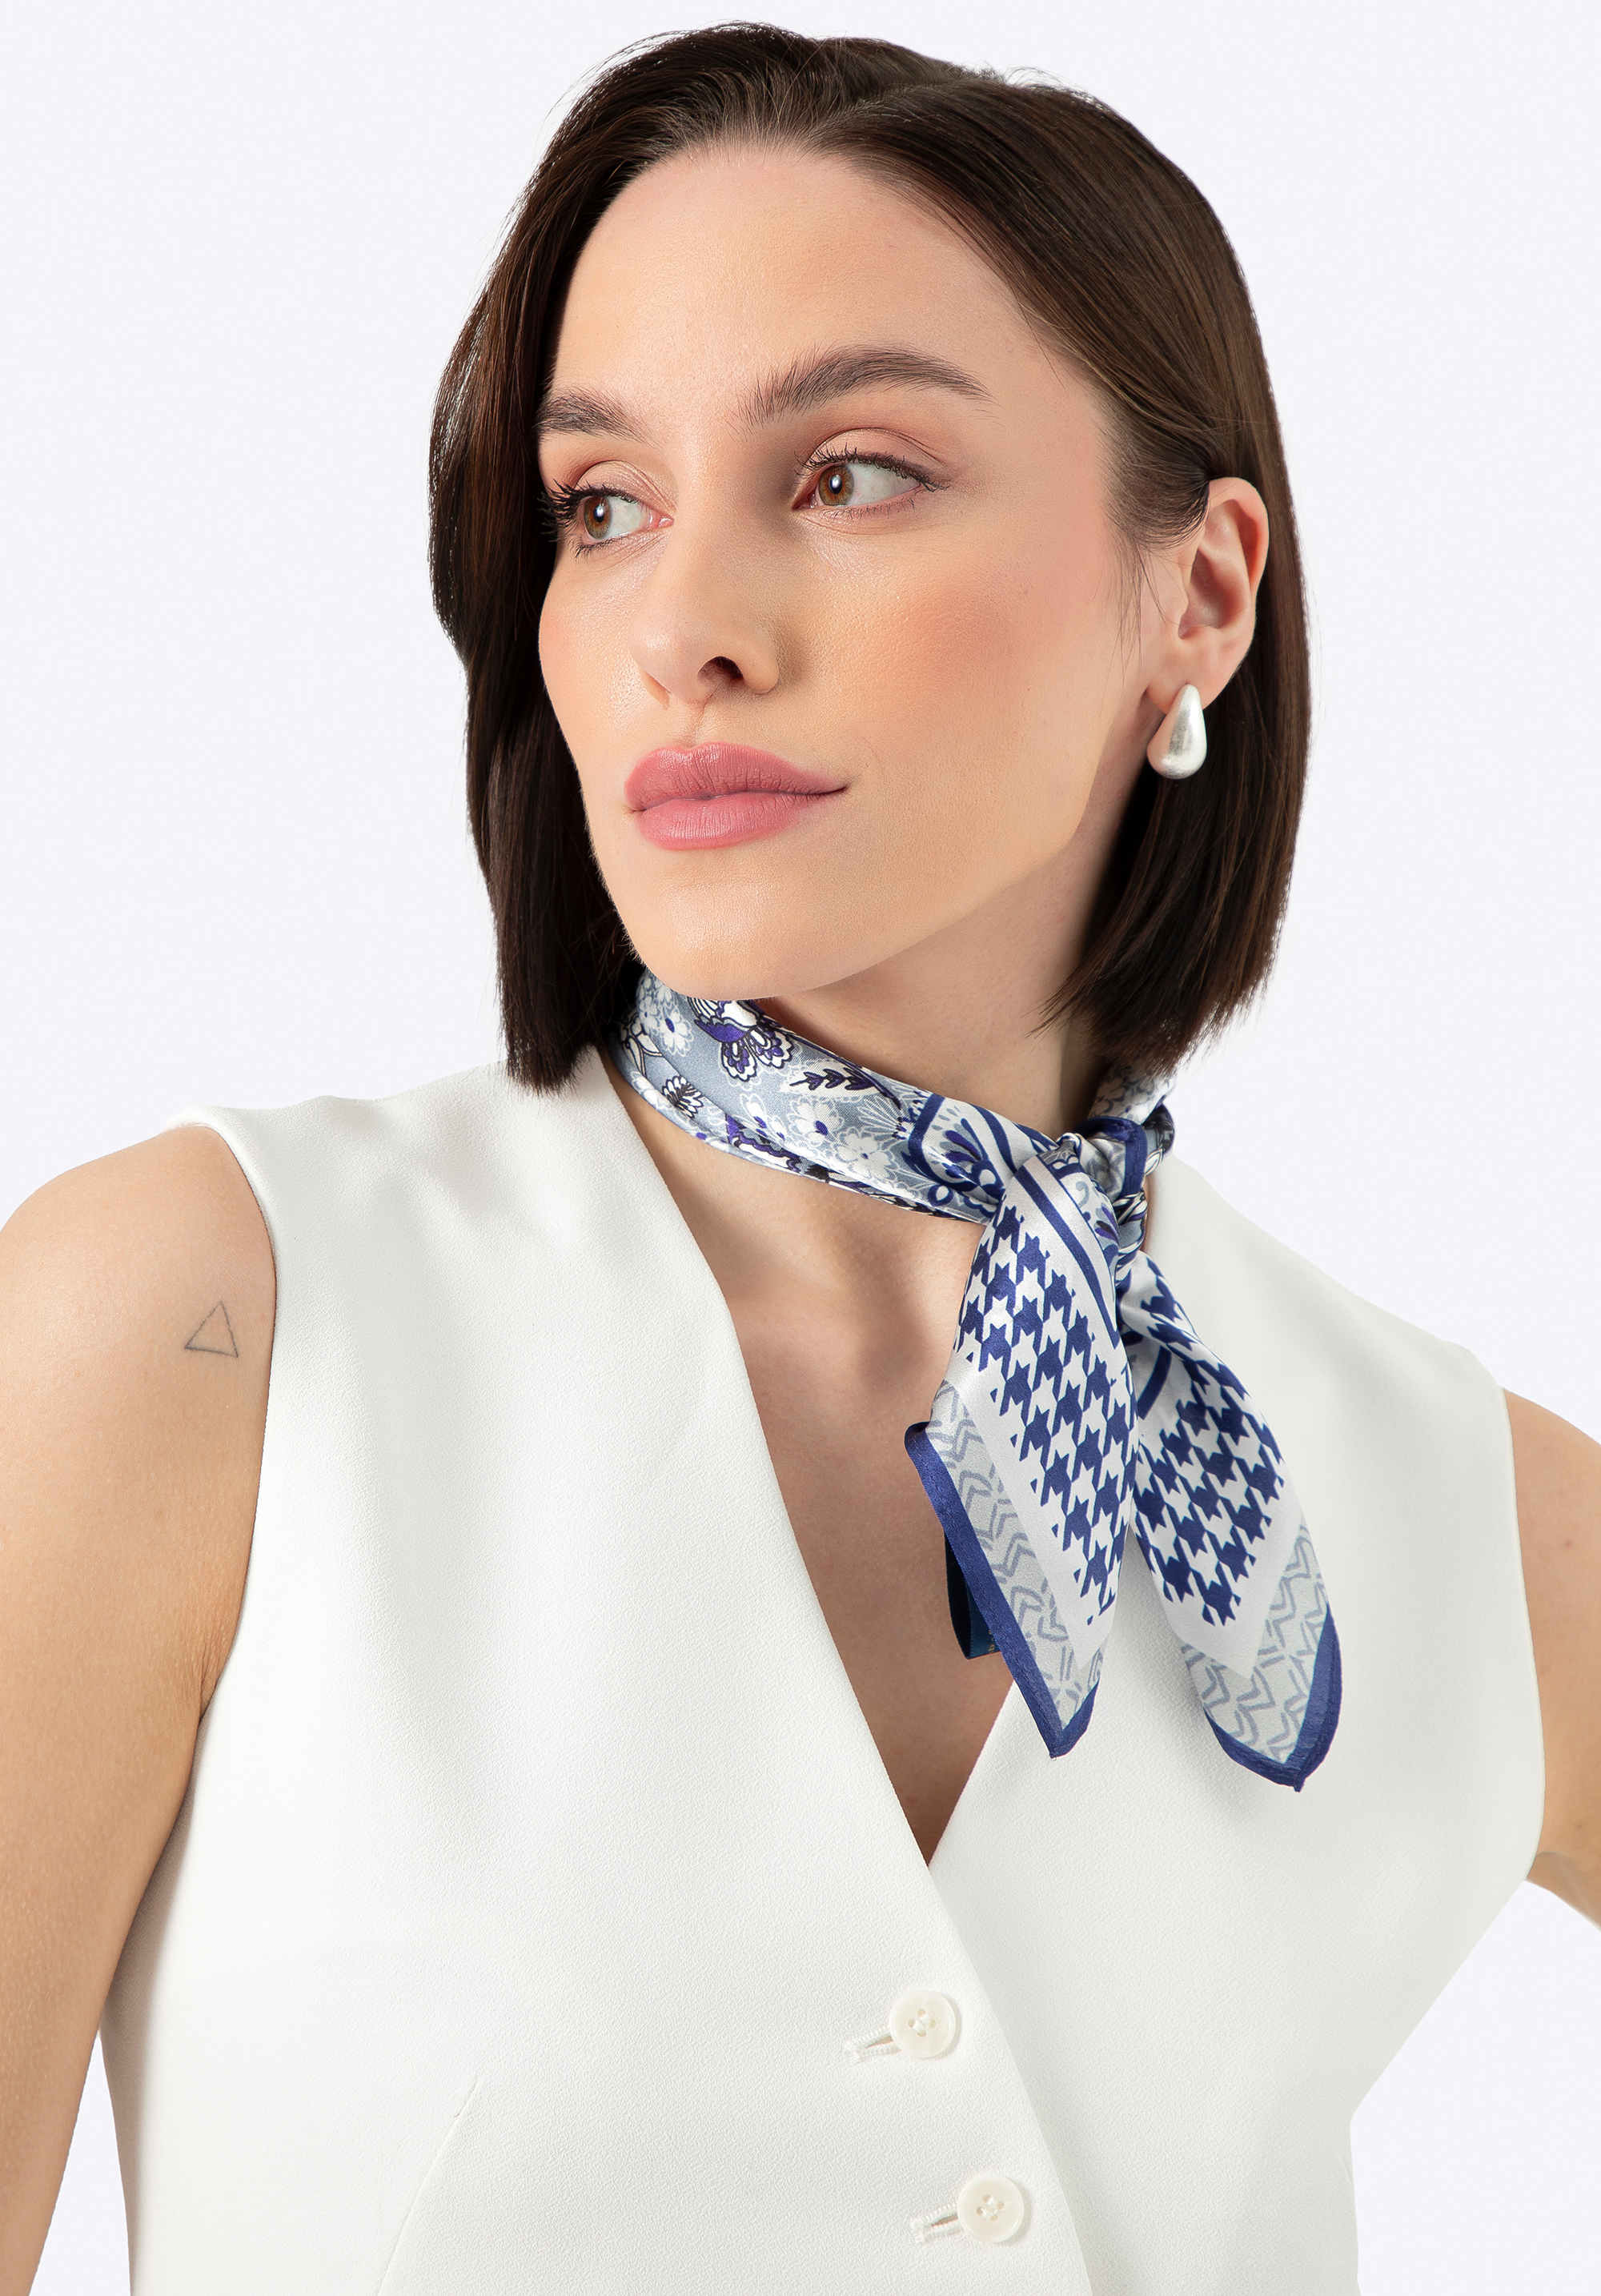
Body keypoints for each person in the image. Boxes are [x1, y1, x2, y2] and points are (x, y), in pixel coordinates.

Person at [1, 24, 1595, 2294]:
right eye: (602, 507)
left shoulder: (1453, 1503)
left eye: (851, 475)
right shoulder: (200, 1331)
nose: (685, 631)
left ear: (1200, 596)